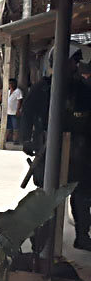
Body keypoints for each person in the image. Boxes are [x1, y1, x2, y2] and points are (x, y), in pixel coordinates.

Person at [21, 45, 91, 252]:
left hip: (80, 152)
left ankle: (82, 236)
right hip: (48, 150)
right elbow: (27, 114)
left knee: (82, 195)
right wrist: (26, 140)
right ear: (60, 63)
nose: (76, 66)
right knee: (46, 195)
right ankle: (40, 239)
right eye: (73, 62)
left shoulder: (82, 88)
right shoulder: (42, 88)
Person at [6, 78, 23, 142]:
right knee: (8, 127)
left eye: (12, 83)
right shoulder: (8, 91)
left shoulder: (18, 91)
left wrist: (18, 110)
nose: (11, 85)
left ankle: (16, 140)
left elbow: (20, 101)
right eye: (10, 84)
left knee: (15, 127)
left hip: (14, 112)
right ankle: (8, 139)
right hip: (8, 112)